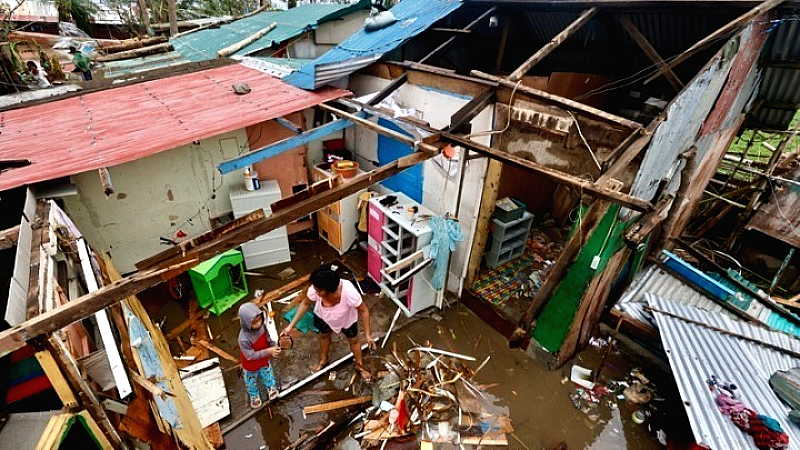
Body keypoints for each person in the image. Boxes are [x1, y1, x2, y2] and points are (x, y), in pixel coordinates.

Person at [282, 266, 375, 381]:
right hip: (323, 317)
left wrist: (368, 335)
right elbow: (305, 304)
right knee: (324, 336)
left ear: (329, 289)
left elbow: (364, 310)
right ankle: (323, 359)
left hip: (346, 319)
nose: (315, 291)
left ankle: (360, 366)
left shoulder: (349, 292)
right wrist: (289, 327)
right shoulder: (316, 289)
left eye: (319, 290)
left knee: (354, 341)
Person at [238, 302, 281, 409]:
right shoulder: (243, 339)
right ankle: (254, 395)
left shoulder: (262, 326)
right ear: (246, 323)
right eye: (254, 322)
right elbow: (250, 356)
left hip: (263, 360)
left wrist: (274, 346)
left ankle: (270, 387)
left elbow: (268, 338)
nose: (258, 323)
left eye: (259, 320)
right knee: (251, 380)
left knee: (267, 374)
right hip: (250, 364)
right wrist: (269, 351)